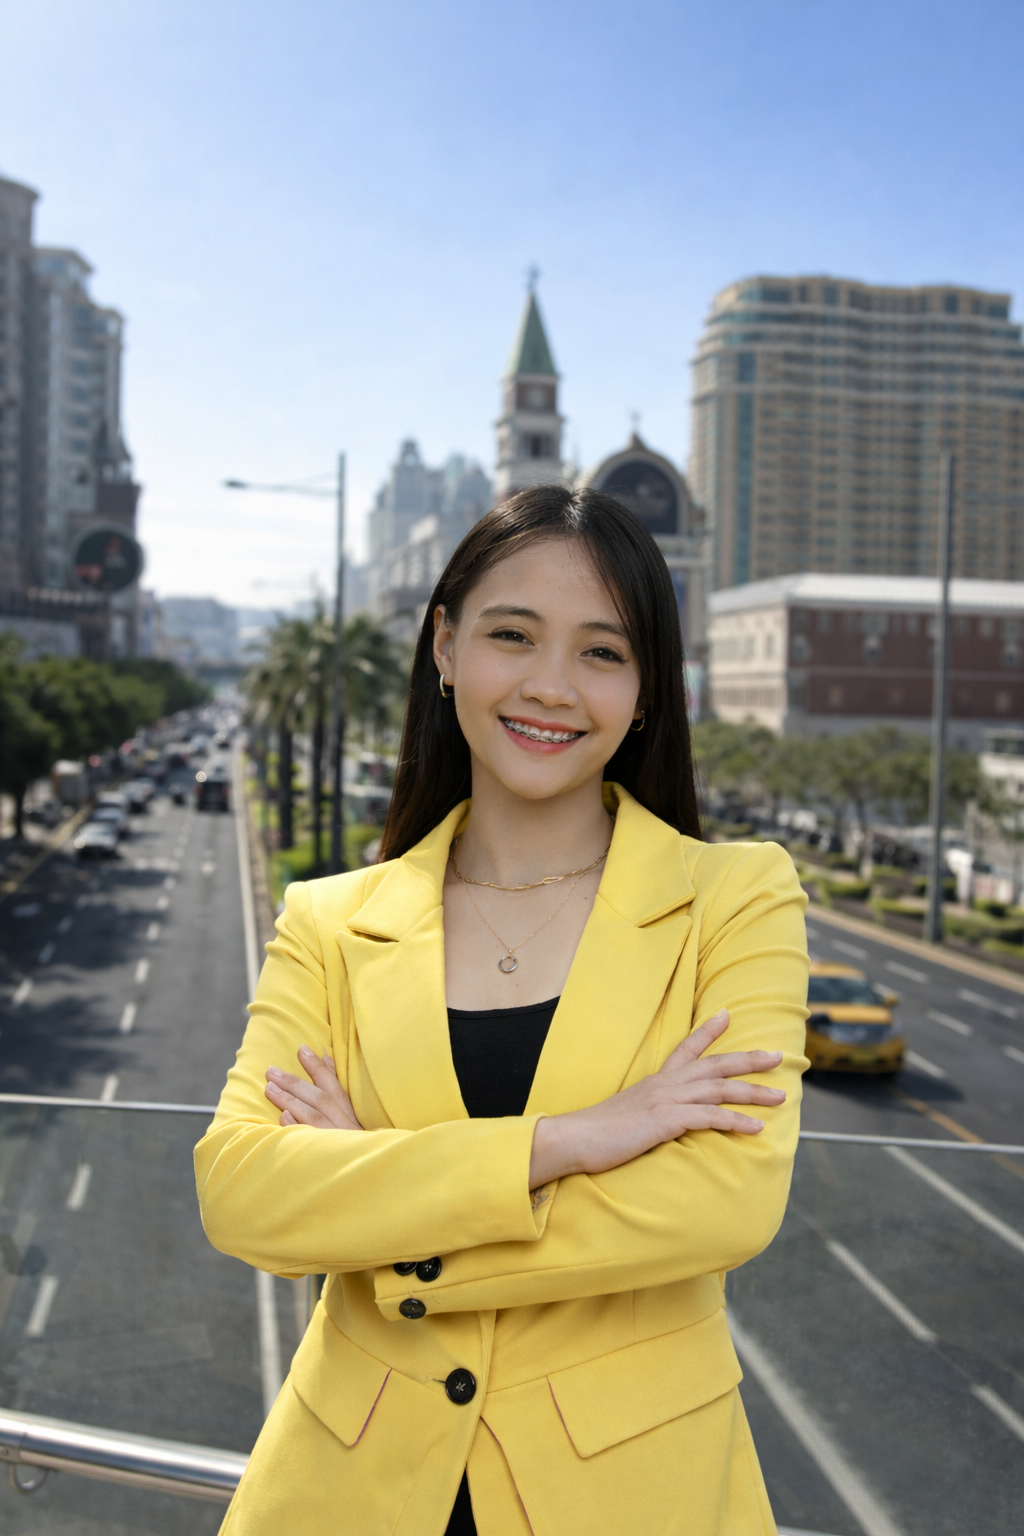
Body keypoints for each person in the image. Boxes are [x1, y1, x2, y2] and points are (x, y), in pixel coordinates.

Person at [195, 485, 809, 1536]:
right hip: (347, 1494)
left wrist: (377, 1198)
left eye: (602, 653)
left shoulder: (736, 899)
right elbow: (245, 1196)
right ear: (443, 646)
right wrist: (574, 1141)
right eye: (511, 636)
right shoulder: (330, 922)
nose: (549, 686)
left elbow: (720, 1204)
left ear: (649, 686)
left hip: (632, 1497)